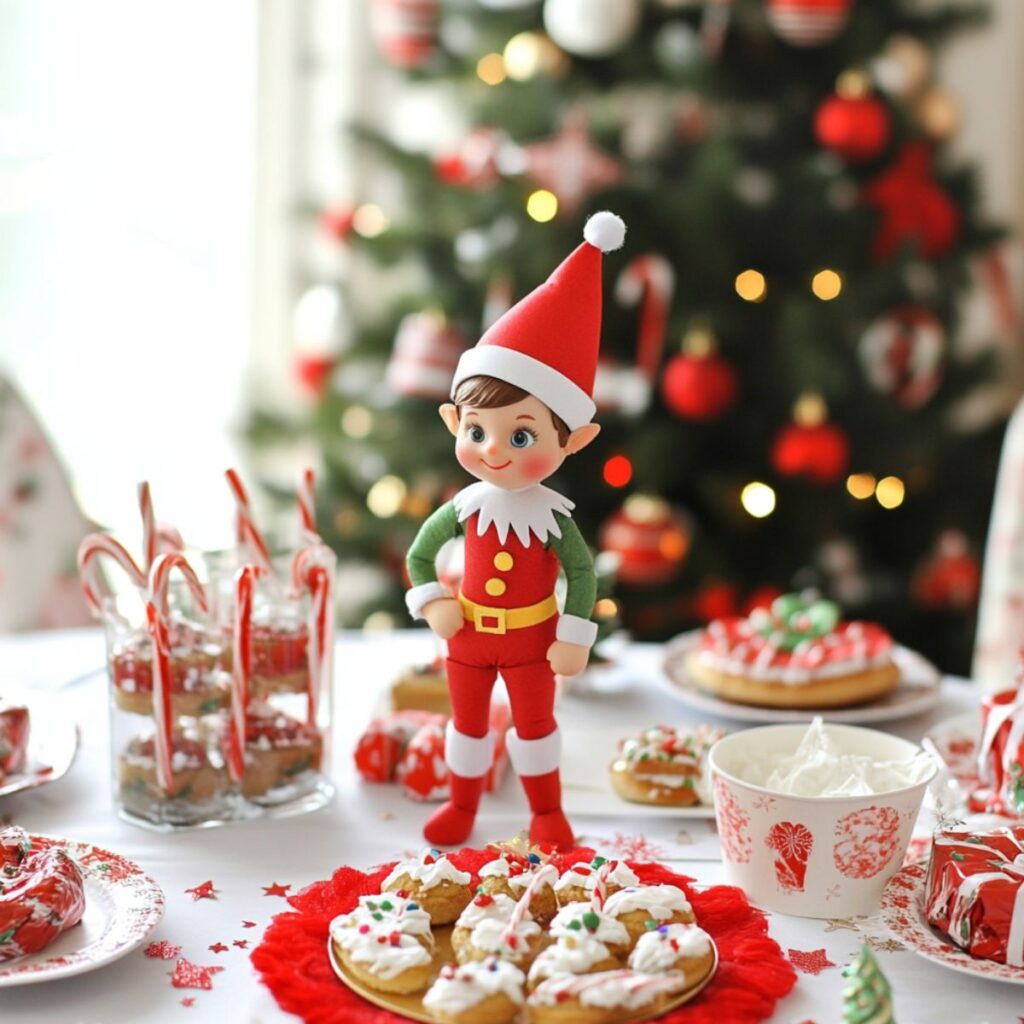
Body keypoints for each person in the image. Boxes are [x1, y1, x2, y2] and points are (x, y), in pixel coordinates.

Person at [405, 212, 626, 848]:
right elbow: (423, 555)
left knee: (536, 729)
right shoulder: (466, 508)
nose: (494, 450)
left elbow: (581, 573)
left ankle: (547, 814)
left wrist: (574, 635)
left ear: (574, 440)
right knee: (467, 729)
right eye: (477, 431)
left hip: (532, 643)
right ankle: (463, 807)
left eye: (521, 435)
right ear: (454, 422)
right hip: (468, 640)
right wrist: (435, 601)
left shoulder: (554, 518)